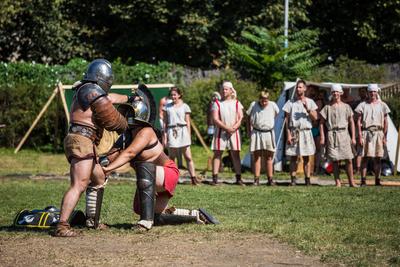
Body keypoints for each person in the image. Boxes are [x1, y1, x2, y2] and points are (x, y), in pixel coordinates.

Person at [102, 97, 218, 230]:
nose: (128, 116)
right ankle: (195, 216)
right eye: (127, 112)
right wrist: (101, 164)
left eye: (131, 113)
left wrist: (108, 169)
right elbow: (111, 155)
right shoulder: (127, 135)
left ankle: (145, 223)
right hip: (151, 176)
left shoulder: (146, 131)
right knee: (150, 214)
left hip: (166, 173)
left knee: (144, 166)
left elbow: (130, 153)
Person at [55, 59, 130, 237]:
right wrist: (125, 125)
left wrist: (131, 98)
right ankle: (62, 226)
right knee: (79, 184)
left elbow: (110, 99)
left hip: (84, 141)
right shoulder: (91, 89)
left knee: (98, 178)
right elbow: (111, 118)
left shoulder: (88, 90)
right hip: (82, 141)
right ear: (103, 78)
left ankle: (92, 221)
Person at [319, 84, 356, 187]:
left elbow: (351, 122)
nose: (335, 93)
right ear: (331, 93)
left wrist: (353, 137)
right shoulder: (327, 107)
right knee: (335, 160)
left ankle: (351, 182)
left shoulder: (346, 107)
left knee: (348, 159)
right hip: (332, 134)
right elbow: (321, 123)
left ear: (341, 93)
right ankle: (337, 182)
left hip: (344, 134)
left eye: (337, 91)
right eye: (333, 92)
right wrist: (322, 137)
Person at [283, 79, 318, 186]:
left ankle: (307, 180)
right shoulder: (290, 102)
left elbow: (315, 117)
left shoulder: (310, 102)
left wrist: (307, 109)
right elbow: (286, 120)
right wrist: (288, 134)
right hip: (294, 132)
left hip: (306, 132)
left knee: (307, 157)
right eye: (297, 87)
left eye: (300, 87)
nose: (298, 89)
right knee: (293, 157)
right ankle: (293, 180)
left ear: (305, 88)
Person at [355, 83, 390, 186]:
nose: (372, 93)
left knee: (378, 158)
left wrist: (384, 136)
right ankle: (363, 180)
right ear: (368, 92)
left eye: (374, 91)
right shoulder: (362, 105)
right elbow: (358, 121)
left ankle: (377, 180)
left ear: (377, 92)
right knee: (365, 157)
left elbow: (385, 121)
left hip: (379, 133)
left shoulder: (382, 105)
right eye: (370, 92)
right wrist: (360, 136)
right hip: (366, 132)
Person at [163, 87, 199, 185]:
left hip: (183, 131)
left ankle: (193, 178)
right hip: (172, 131)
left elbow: (188, 122)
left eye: (175, 94)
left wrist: (189, 135)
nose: (173, 96)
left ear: (179, 95)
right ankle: (171, 179)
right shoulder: (167, 107)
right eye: (171, 95)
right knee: (171, 158)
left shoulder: (185, 106)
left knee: (188, 157)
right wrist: (165, 137)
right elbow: (165, 123)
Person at [210, 81, 244, 185]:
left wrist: (233, 128)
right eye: (223, 89)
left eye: (226, 89)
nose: (224, 91)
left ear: (231, 90)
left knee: (235, 154)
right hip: (221, 132)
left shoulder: (237, 103)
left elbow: (240, 117)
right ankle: (215, 178)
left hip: (234, 131)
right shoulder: (217, 104)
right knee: (217, 153)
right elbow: (215, 119)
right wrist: (226, 128)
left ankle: (238, 178)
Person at [246, 91, 279, 186]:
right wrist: (249, 130)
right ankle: (256, 179)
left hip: (268, 133)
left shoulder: (273, 105)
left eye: (266, 101)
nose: (264, 103)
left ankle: (270, 179)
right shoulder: (254, 105)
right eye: (262, 101)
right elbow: (247, 117)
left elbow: (276, 114)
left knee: (269, 157)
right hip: (257, 132)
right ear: (259, 99)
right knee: (257, 157)